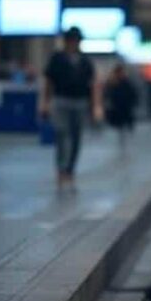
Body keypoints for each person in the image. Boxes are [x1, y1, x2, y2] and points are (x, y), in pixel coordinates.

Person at [40, 27, 99, 191]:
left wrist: (95, 107)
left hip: (80, 102)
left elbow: (93, 85)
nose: (74, 44)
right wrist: (45, 103)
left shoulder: (85, 61)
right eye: (71, 41)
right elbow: (49, 82)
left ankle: (70, 170)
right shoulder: (57, 59)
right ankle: (61, 170)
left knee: (76, 138)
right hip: (61, 101)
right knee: (62, 135)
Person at [104, 63, 138, 147]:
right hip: (118, 106)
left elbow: (132, 93)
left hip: (125, 105)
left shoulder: (125, 82)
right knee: (120, 123)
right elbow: (108, 93)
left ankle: (125, 137)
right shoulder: (113, 82)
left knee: (125, 122)